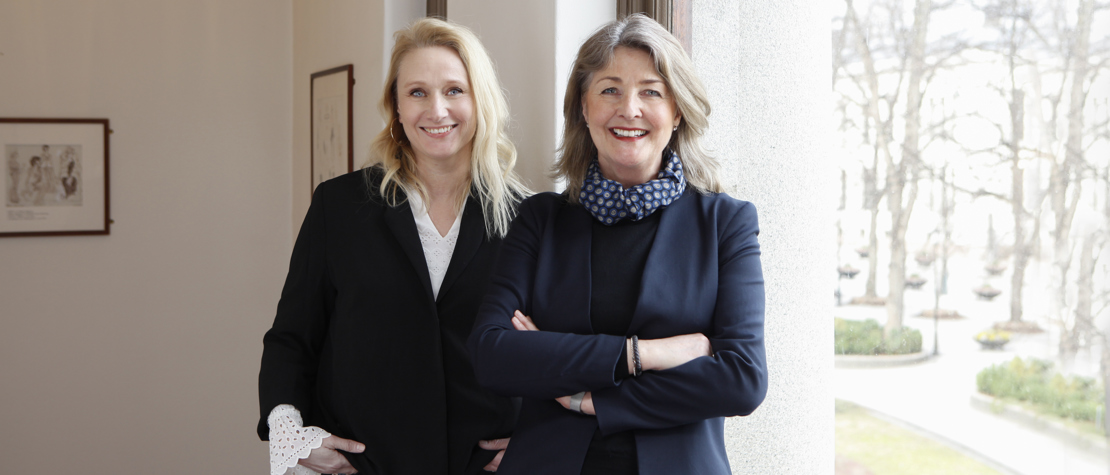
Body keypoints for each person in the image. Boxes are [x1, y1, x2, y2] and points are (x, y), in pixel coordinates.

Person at [467, 14, 767, 475]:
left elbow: (742, 379)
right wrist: (644, 354)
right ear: (583, 108)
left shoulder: (726, 223)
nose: (629, 109)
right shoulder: (540, 220)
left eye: (651, 92)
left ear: (677, 111)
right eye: (610, 90)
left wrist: (590, 398)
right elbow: (491, 356)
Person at [259, 17, 529, 475]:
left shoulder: (529, 219)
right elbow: (292, 338)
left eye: (454, 90)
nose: (436, 110)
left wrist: (540, 438)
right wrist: (291, 436)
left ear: (480, 100)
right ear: (397, 108)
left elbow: (555, 351)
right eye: (417, 92)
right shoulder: (338, 206)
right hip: (363, 465)